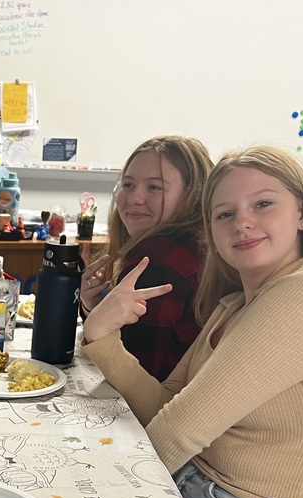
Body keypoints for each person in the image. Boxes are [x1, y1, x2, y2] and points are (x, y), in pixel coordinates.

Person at [80, 144, 303, 498]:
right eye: (225, 214)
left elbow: (176, 431)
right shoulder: (233, 305)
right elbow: (163, 406)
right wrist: (102, 336)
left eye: (263, 204)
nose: (242, 222)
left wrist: (92, 496)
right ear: (211, 233)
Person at [80, 136, 213, 380]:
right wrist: (96, 309)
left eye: (155, 187)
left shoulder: (159, 259)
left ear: (193, 197)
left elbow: (134, 375)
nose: (135, 198)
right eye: (128, 184)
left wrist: (95, 329)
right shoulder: (197, 245)